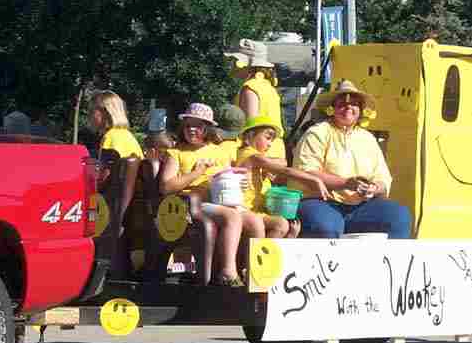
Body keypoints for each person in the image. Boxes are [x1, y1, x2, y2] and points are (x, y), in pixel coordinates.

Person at [292, 80, 411, 239]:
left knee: (398, 216)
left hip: (361, 207)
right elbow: (306, 173)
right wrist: (346, 183)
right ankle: (329, 264)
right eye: (342, 103)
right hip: (321, 202)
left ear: (361, 110)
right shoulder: (317, 132)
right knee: (325, 225)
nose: (348, 107)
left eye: (354, 104)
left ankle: (388, 263)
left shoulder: (367, 138)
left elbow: (383, 179)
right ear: (332, 109)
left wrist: (374, 188)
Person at [159, 103, 259, 286]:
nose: (192, 130)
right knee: (232, 217)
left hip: (219, 201)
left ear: (208, 128)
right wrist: (196, 173)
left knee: (255, 221)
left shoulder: (219, 152)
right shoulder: (176, 153)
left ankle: (253, 273)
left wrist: (241, 183)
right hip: (190, 205)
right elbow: (166, 187)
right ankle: (228, 272)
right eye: (188, 125)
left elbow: (228, 178)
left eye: (198, 126)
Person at [234, 115, 330, 238]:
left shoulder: (254, 157)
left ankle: (275, 248)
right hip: (245, 209)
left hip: (256, 209)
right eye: (267, 138)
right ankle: (262, 255)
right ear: (251, 135)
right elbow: (285, 171)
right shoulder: (253, 156)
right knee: (280, 224)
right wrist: (313, 179)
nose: (269, 144)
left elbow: (281, 163)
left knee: (285, 223)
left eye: (272, 140)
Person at [88, 91, 144, 220]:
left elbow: (103, 179)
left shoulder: (110, 137)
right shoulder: (128, 135)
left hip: (111, 205)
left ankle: (88, 233)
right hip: (129, 202)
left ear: (106, 112)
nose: (89, 115)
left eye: (92, 111)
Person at [229, 39, 286, 163]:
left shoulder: (250, 87)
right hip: (275, 149)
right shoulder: (269, 87)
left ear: (243, 63)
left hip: (258, 152)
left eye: (234, 60)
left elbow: (252, 126)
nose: (232, 64)